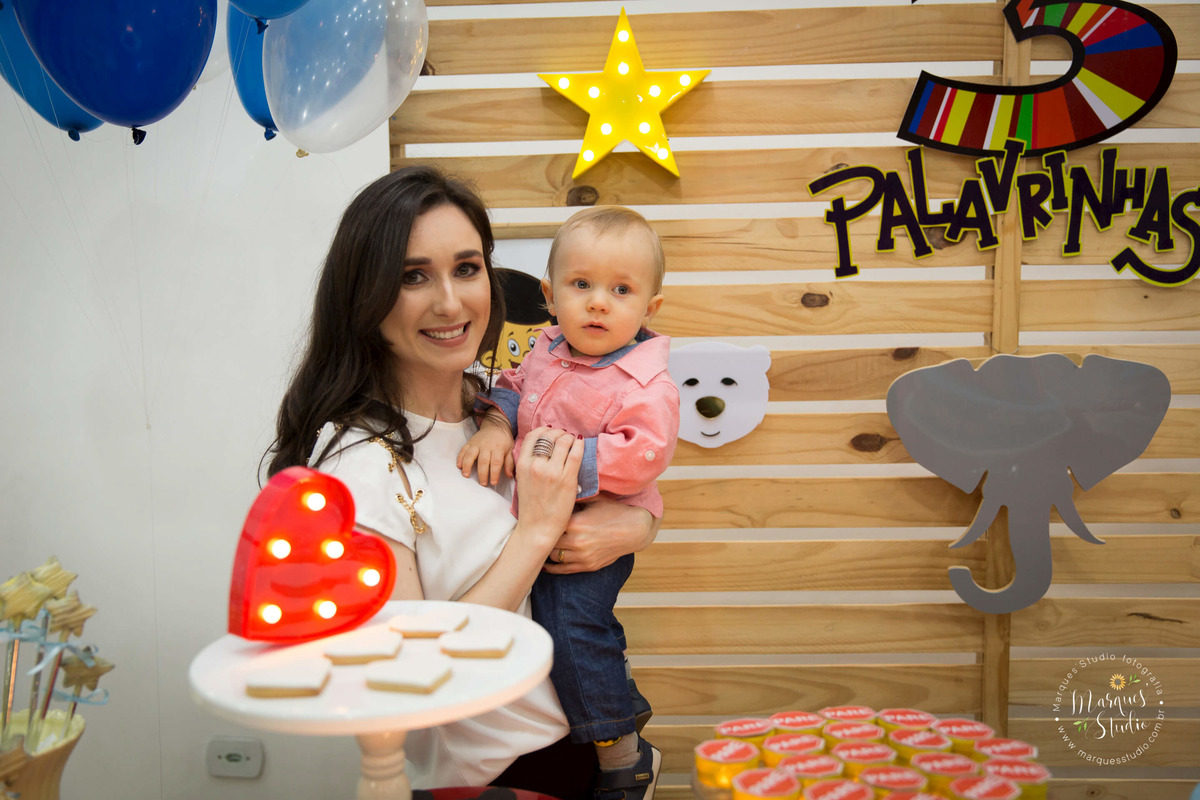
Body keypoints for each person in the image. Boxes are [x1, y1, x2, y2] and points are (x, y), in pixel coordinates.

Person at [264, 166, 659, 800]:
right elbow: (413, 667)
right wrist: (536, 535)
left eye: (467, 268)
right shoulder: (360, 467)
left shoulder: (500, 408)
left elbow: (614, 488)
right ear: (364, 296)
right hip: (496, 781)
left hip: (581, 752)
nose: (451, 302)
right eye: (412, 276)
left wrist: (640, 523)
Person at [458, 206, 679, 800]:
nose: (599, 302)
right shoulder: (545, 350)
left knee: (572, 627)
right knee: (561, 630)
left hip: (593, 529)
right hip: (545, 523)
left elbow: (645, 454)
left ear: (649, 308)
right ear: (551, 297)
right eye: (582, 286)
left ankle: (624, 755)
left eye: (621, 289)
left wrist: (554, 462)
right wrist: (497, 427)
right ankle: (619, 698)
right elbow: (508, 388)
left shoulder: (644, 383)